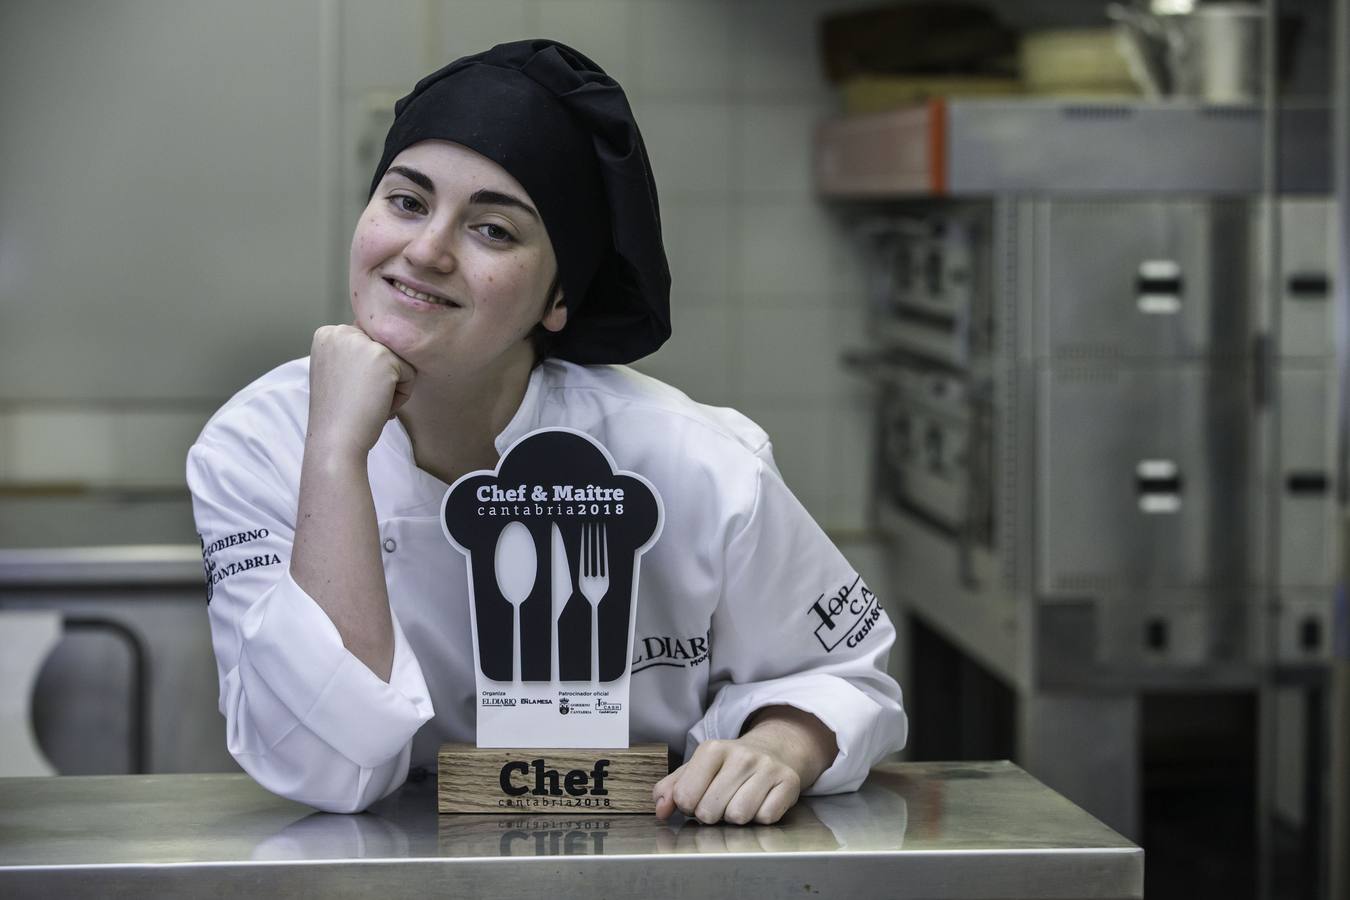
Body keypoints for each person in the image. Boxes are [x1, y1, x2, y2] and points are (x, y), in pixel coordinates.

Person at [187, 38, 907, 823]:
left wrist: (781, 746)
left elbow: (845, 678)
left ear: (558, 298)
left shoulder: (691, 462)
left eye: (492, 230)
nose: (425, 250)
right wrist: (333, 456)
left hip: (650, 854)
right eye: (406, 200)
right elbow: (317, 764)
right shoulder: (258, 446)